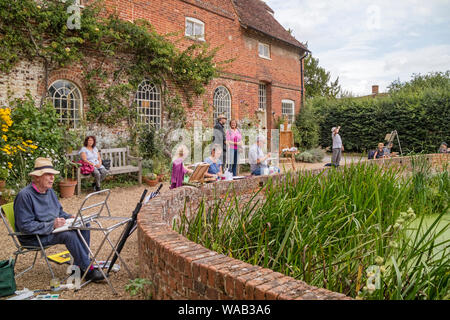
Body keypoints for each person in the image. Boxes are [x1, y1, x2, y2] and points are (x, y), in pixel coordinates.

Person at [13, 157, 106, 282]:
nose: (52, 177)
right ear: (37, 177)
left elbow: (59, 212)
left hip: (51, 230)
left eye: (53, 174)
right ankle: (88, 269)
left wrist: (69, 217)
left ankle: (79, 266)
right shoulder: (25, 196)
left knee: (84, 224)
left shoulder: (49, 191)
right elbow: (25, 226)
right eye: (48, 174)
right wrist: (52, 225)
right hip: (33, 237)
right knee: (68, 235)